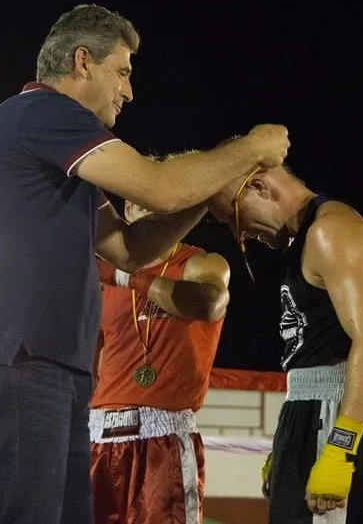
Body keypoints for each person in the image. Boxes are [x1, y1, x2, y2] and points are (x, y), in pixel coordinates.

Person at [0, 4, 290, 524]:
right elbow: (159, 187)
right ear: (83, 61)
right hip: (20, 361)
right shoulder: (45, 113)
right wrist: (250, 149)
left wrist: (209, 193)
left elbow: (130, 248)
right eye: (122, 72)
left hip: (48, 366)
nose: (128, 91)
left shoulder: (53, 148)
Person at [206, 162, 363, 524]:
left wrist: (339, 448)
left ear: (259, 187)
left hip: (336, 416)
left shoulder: (332, 230)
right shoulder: (309, 236)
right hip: (314, 415)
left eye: (234, 216)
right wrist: (291, 440)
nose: (241, 234)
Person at [89, 170, 231, 524]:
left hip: (164, 436)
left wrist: (127, 276)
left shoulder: (200, 263)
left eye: (159, 203)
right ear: (127, 209)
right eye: (140, 203)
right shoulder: (101, 277)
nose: (150, 214)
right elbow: (88, 357)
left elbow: (209, 304)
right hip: (97, 434)